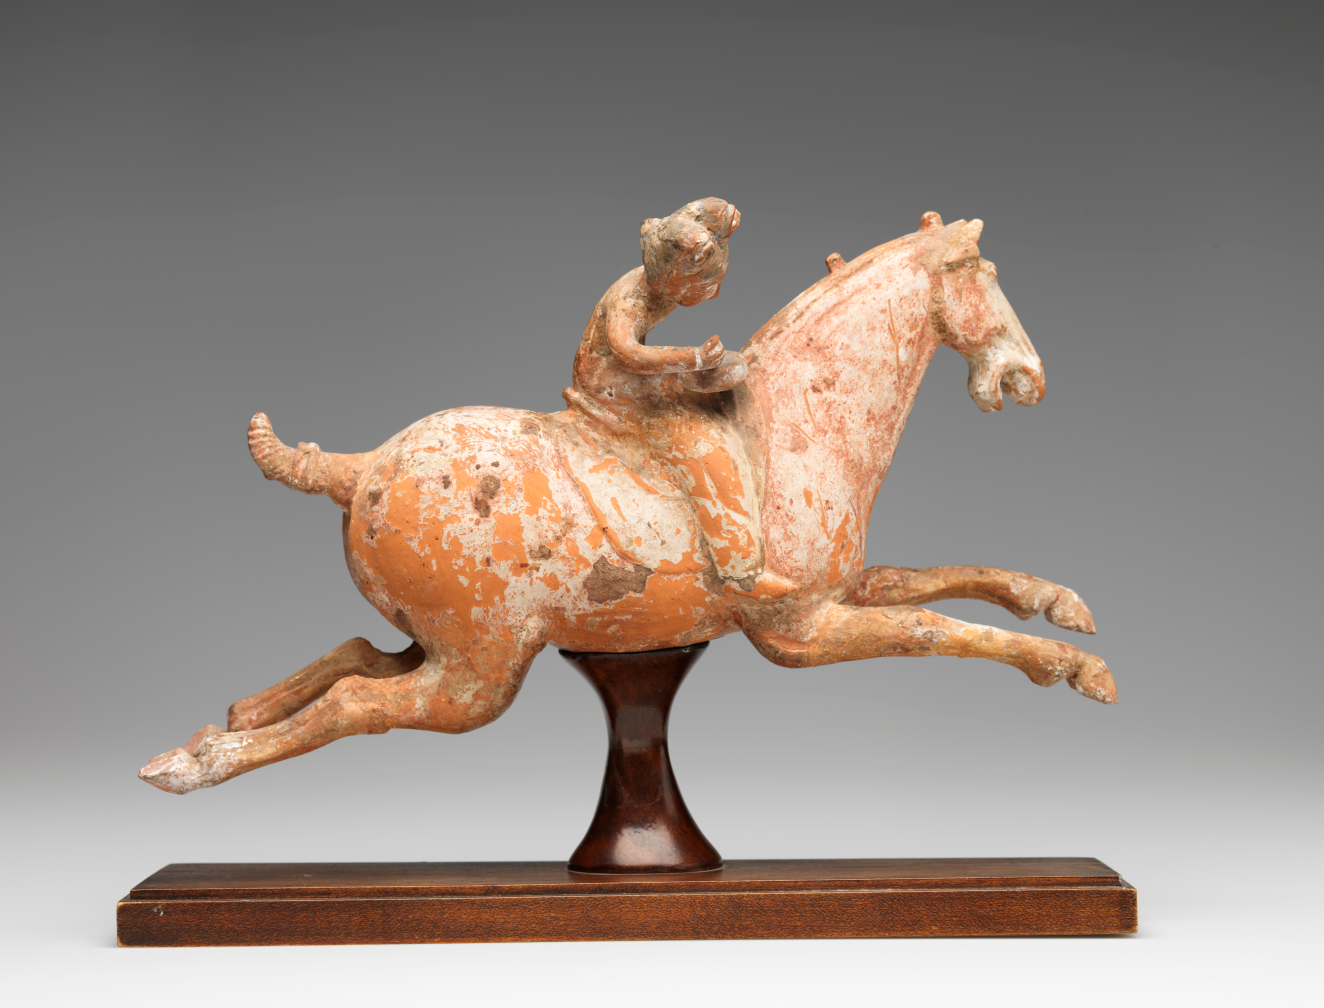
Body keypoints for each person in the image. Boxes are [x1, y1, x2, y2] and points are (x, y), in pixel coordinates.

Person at [562, 198, 762, 583]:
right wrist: (693, 358)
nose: (715, 294)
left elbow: (706, 210)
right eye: (707, 285)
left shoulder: (660, 285)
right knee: (703, 447)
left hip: (630, 378)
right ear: (674, 280)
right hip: (611, 390)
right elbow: (628, 353)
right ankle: (739, 566)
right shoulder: (632, 300)